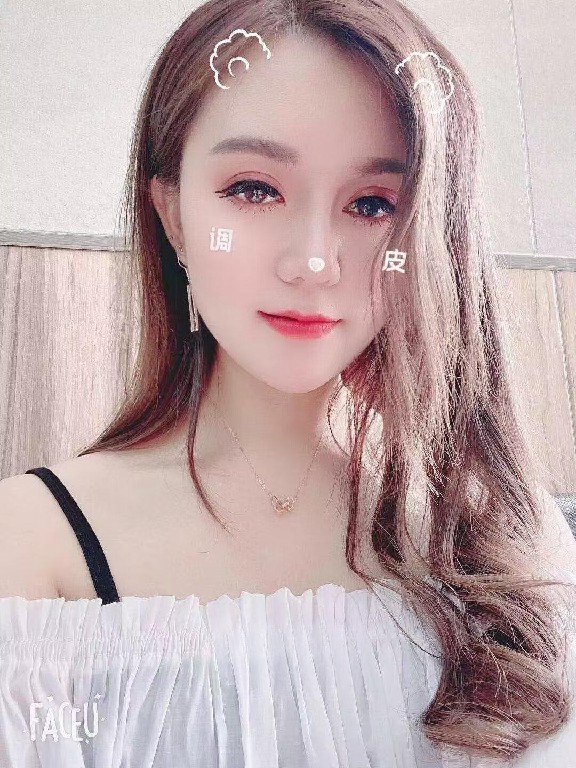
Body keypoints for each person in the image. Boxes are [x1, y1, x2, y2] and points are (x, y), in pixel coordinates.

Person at [1, 0, 575, 765]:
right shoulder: (33, 546)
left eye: (372, 204)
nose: (313, 262)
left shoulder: (499, 533)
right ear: (172, 215)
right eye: (254, 189)